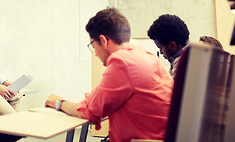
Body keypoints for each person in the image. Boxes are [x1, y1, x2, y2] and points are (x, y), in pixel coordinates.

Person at [45, 8, 173, 142]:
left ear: (103, 40)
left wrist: (59, 103)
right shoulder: (148, 56)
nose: (95, 53)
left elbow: (89, 111)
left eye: (94, 47)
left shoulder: (122, 62)